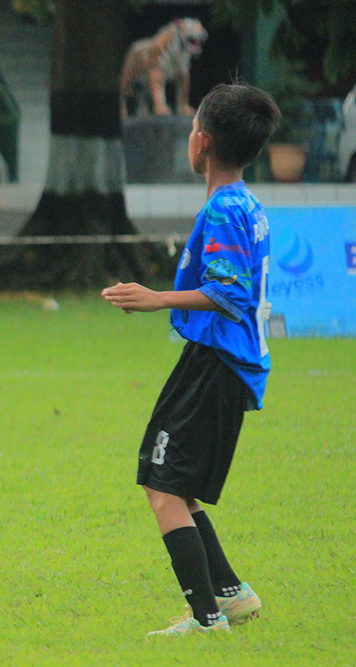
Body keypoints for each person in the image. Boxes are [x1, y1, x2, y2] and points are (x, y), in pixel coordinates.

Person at [101, 83, 280, 636]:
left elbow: (230, 292)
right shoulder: (244, 202)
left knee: (161, 486)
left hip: (219, 363)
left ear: (200, 142)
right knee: (172, 482)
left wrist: (156, 298)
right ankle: (231, 594)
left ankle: (206, 621)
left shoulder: (226, 208)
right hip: (218, 361)